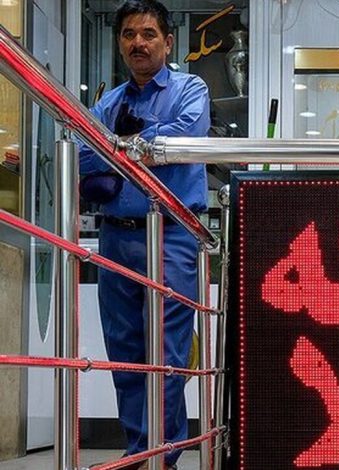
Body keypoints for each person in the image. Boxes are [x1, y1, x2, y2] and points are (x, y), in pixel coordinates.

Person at [79, 1, 210, 468]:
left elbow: (183, 138)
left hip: (172, 235)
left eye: (149, 34)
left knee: (168, 353)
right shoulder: (108, 103)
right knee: (126, 353)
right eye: (129, 34)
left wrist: (119, 143)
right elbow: (81, 153)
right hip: (117, 238)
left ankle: (163, 455)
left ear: (168, 42)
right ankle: (140, 452)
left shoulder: (190, 89)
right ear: (119, 43)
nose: (139, 42)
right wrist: (137, 145)